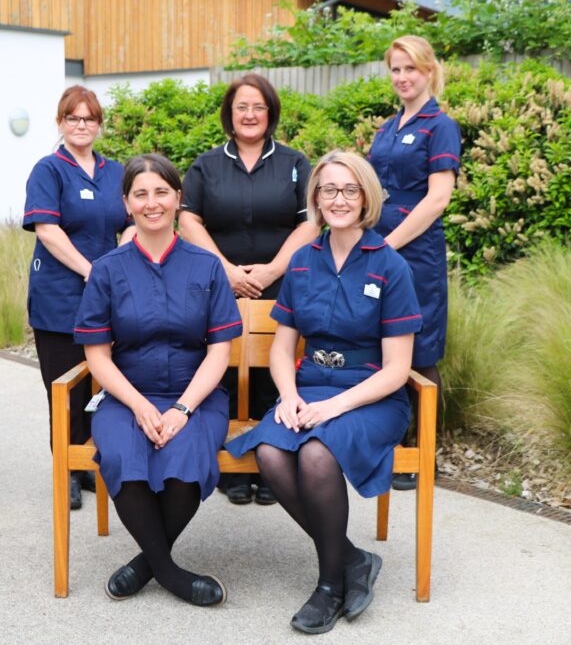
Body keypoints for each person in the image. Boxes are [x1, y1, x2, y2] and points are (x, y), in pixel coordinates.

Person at [226, 151, 422, 634]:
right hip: (308, 386)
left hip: (370, 396)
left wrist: (333, 407)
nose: (339, 199)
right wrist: (289, 396)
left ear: (366, 197)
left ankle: (329, 583)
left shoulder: (390, 266)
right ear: (315, 198)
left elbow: (399, 370)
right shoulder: (302, 262)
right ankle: (354, 559)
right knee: (271, 452)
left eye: (350, 189)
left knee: (316, 454)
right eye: (329, 189)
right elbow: (282, 348)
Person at [74, 154, 242, 606]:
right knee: (124, 457)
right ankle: (171, 573)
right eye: (140, 194)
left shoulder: (206, 266)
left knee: (186, 458)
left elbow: (219, 350)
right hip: (126, 395)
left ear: (178, 198)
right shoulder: (107, 269)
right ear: (126, 204)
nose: (152, 203)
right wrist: (141, 406)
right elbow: (97, 355)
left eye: (161, 192)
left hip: (198, 395)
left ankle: (146, 565)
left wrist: (182, 408)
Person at [180, 73, 319, 505]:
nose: (250, 114)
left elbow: (312, 221)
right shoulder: (206, 165)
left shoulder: (295, 163)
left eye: (258, 106)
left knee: (270, 371)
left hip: (282, 283)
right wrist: (227, 271)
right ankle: (230, 470)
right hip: (219, 285)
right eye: (242, 106)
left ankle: (268, 461)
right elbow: (187, 220)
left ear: (271, 112)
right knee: (221, 366)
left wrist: (271, 269)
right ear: (230, 113)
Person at [22, 85, 132, 510]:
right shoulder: (48, 170)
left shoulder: (114, 171)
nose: (81, 125)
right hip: (60, 298)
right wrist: (93, 271)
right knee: (63, 387)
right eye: (73, 118)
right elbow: (48, 231)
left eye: (89, 118)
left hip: (106, 298)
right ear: (60, 123)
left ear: (99, 125)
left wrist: (123, 264)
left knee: (98, 383)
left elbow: (130, 222)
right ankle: (64, 470)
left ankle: (87, 462)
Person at [367, 35, 461, 490]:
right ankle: (392, 442)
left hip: (415, 255)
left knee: (419, 351)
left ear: (429, 71)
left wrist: (390, 244)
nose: (402, 77)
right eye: (396, 69)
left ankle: (424, 453)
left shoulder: (440, 125)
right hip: (380, 249)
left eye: (411, 69)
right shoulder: (387, 127)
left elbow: (437, 198)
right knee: (385, 344)